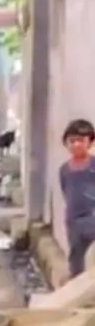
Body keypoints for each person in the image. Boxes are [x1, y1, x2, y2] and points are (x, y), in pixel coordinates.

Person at [60, 118, 95, 277]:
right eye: (72, 141)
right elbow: (66, 191)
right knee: (76, 259)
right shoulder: (65, 170)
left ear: (90, 142)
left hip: (92, 218)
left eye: (81, 140)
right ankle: (76, 289)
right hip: (74, 220)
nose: (76, 145)